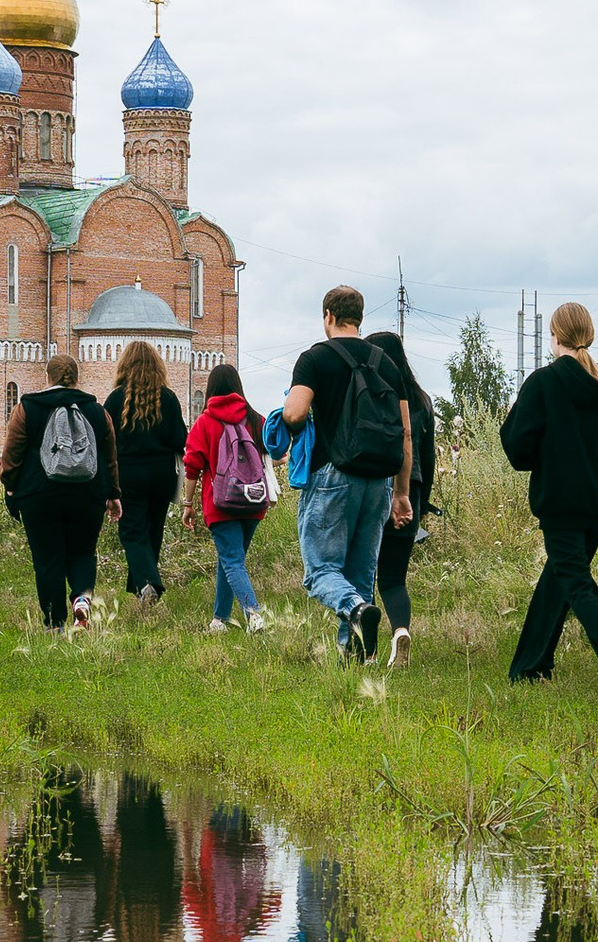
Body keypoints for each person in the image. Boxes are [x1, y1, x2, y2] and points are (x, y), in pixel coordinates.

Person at [502, 302, 598, 690]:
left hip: (560, 504)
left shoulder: (543, 383)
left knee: (575, 581)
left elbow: (516, 446)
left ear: (555, 336)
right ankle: (530, 667)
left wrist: (548, 457)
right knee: (560, 578)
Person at [283, 285, 413, 659]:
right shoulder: (386, 363)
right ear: (359, 317)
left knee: (320, 571)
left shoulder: (315, 359)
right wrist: (401, 493)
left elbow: (294, 413)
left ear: (328, 316)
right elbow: (405, 433)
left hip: (332, 475)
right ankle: (353, 654)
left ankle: (356, 611)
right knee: (359, 573)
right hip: (378, 481)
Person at [0, 354, 121, 629]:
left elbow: (13, 452)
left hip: (38, 495)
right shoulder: (97, 411)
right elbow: (110, 456)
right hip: (88, 495)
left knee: (47, 559)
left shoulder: (28, 408)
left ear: (47, 377)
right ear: (77, 379)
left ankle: (55, 623)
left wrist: (10, 486)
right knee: (83, 552)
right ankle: (81, 599)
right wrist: (113, 493)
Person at [181, 363, 272, 632]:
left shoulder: (205, 422)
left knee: (231, 560)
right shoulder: (256, 419)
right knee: (231, 559)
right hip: (253, 503)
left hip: (221, 504)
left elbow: (192, 467)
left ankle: (254, 614)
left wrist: (188, 504)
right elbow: (276, 454)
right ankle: (219, 619)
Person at [365, 331, 437, 665]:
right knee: (394, 577)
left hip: (375, 487)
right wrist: (421, 502)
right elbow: (429, 456)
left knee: (364, 572)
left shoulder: (372, 396)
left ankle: (367, 648)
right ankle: (400, 631)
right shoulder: (421, 400)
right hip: (414, 491)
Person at [103, 342, 187, 603]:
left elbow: (105, 439)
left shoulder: (116, 398)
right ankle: (143, 587)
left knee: (132, 532)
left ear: (125, 365)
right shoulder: (169, 398)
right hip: (162, 475)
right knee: (153, 530)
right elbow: (180, 440)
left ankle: (148, 583)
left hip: (128, 474)